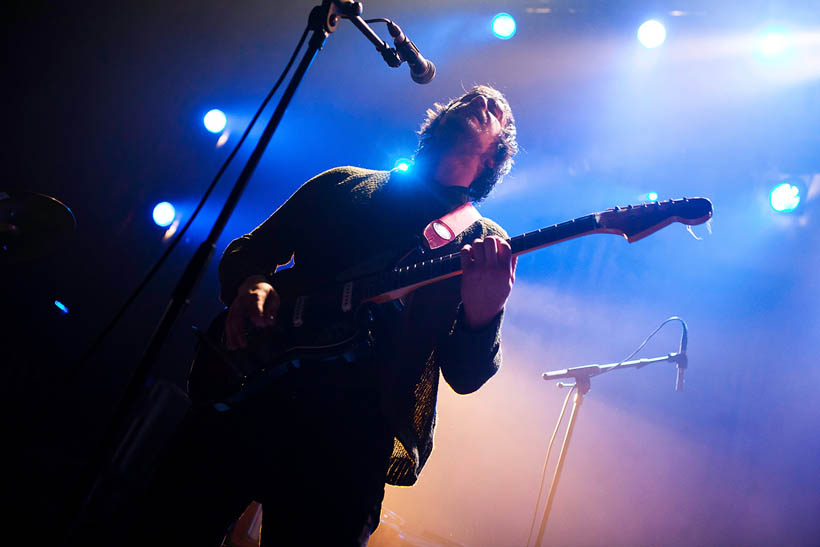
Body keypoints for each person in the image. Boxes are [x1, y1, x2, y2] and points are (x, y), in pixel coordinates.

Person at [134, 84, 518, 546]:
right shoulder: (344, 183)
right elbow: (249, 251)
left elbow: (466, 373)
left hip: (348, 445)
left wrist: (484, 311)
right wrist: (251, 284)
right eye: (468, 98)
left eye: (493, 108)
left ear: (496, 156)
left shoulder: (480, 242)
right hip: (245, 394)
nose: (476, 101)